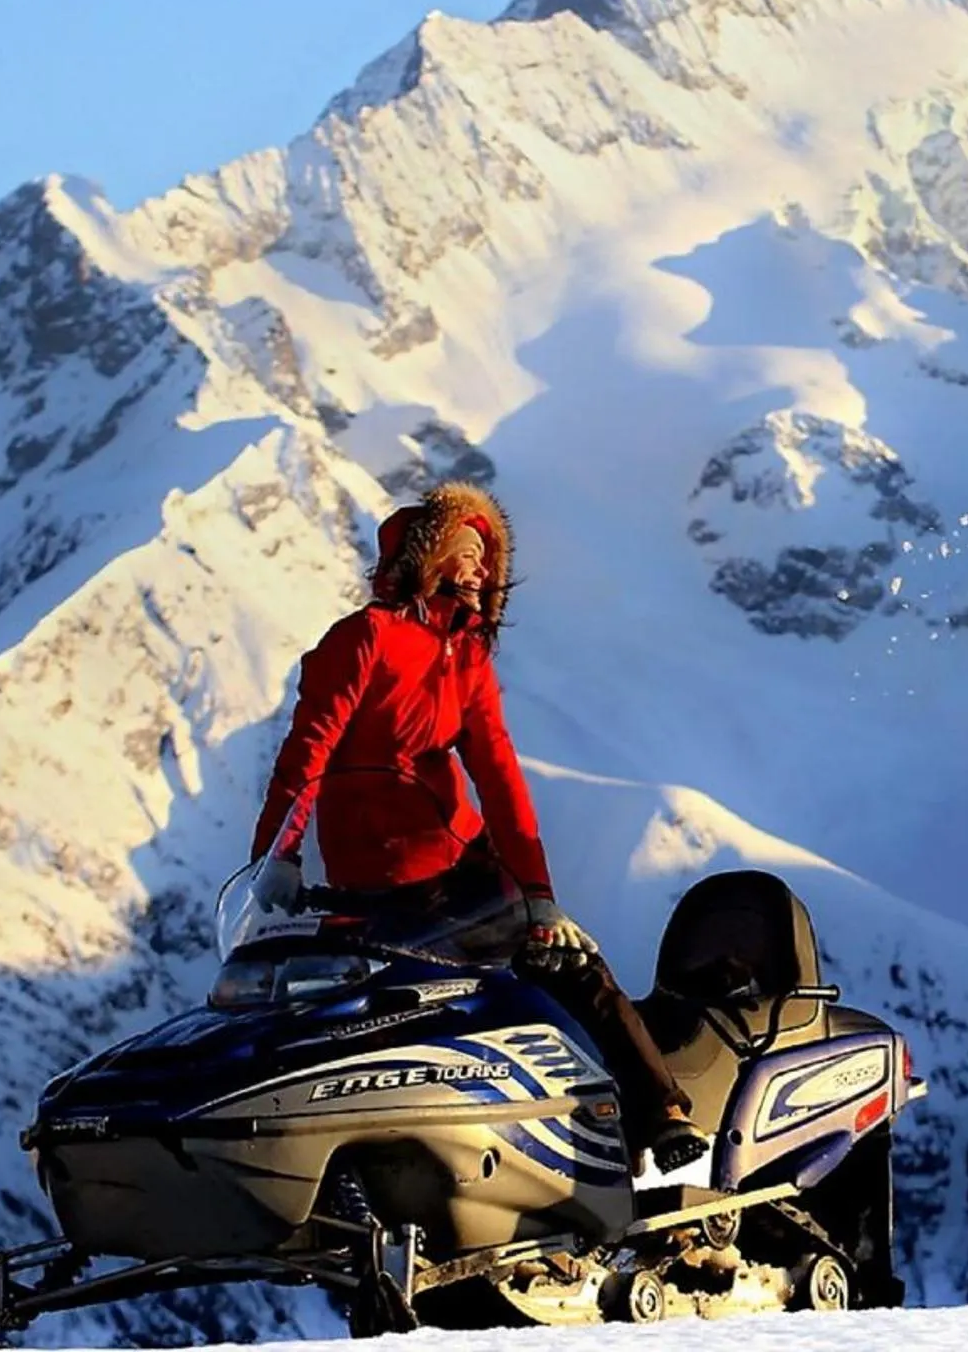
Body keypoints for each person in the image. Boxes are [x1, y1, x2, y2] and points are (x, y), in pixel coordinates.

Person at [250, 480, 707, 1173]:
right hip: (372, 886)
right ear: (424, 558)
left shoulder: (466, 658)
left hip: (459, 872)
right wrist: (275, 857)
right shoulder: (364, 639)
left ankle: (657, 1114)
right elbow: (307, 750)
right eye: (466, 552)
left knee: (569, 967)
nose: (480, 569)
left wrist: (538, 891)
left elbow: (497, 775)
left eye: (487, 558)